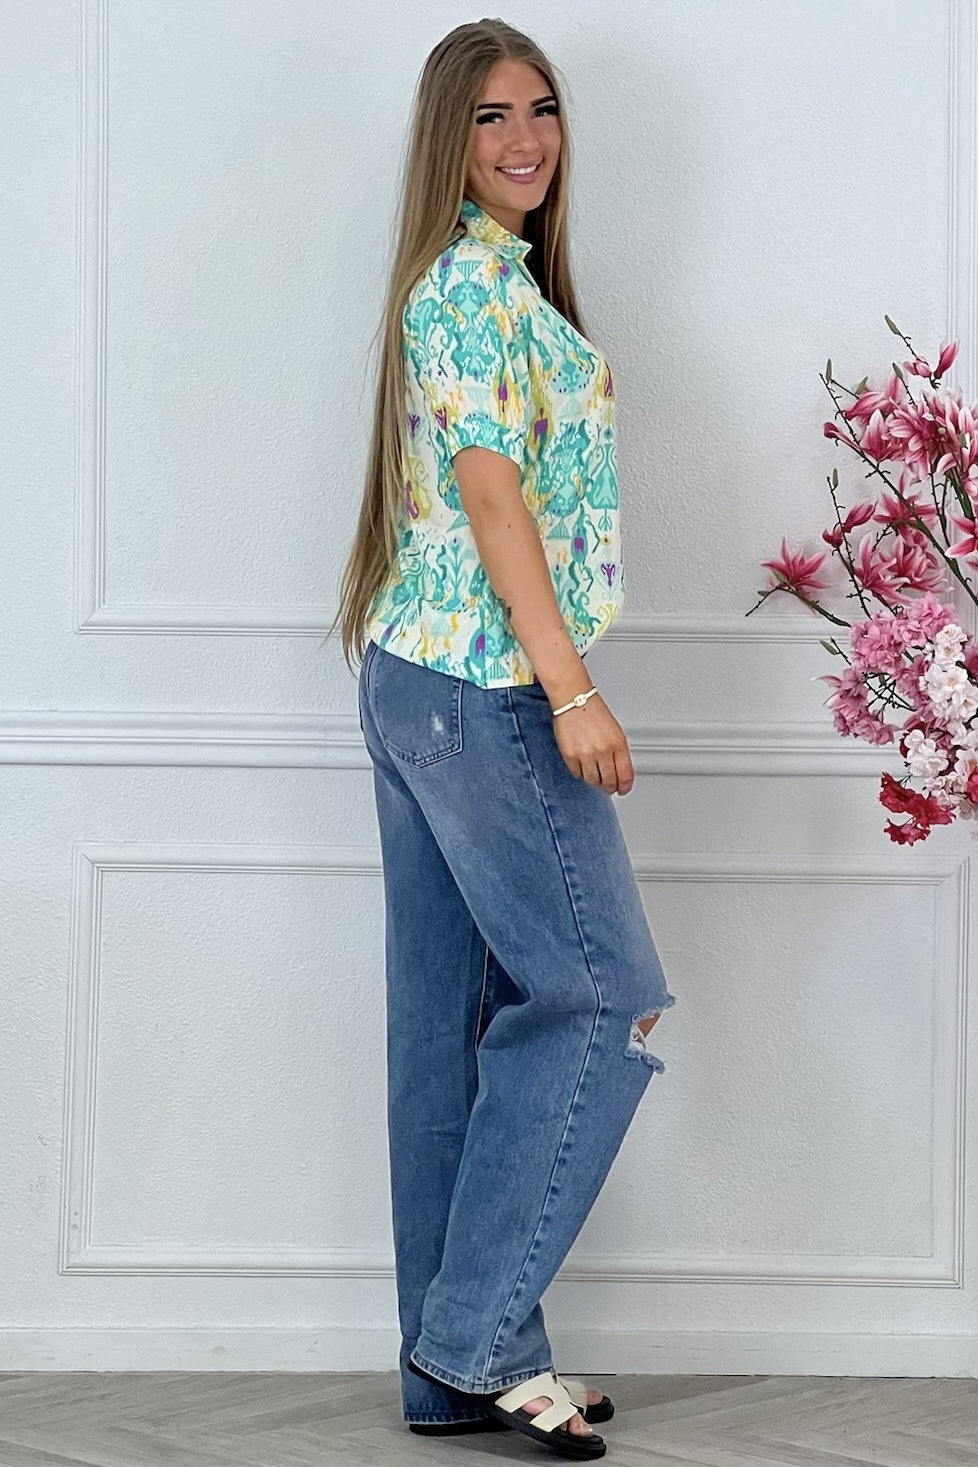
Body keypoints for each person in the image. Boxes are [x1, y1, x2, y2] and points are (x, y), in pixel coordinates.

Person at [330, 18, 677, 1461]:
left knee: (454, 1037)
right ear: (446, 141)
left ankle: (453, 1368)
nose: (525, 139)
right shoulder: (469, 287)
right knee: (600, 996)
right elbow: (491, 502)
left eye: (541, 109)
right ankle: (474, 1337)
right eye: (489, 117)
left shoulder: (484, 283)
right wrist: (571, 690)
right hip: (481, 687)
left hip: (418, 678)